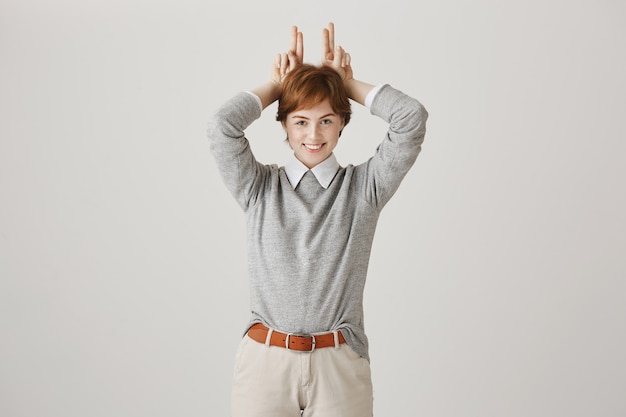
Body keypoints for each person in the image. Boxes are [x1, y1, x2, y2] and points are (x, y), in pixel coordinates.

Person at [207, 22, 428, 417]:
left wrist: (348, 83)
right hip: (265, 362)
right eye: (300, 121)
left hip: (339, 363)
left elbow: (411, 120)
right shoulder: (259, 188)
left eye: (326, 120)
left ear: (342, 122)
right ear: (285, 124)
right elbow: (221, 127)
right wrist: (279, 87)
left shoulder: (363, 189)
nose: (313, 134)